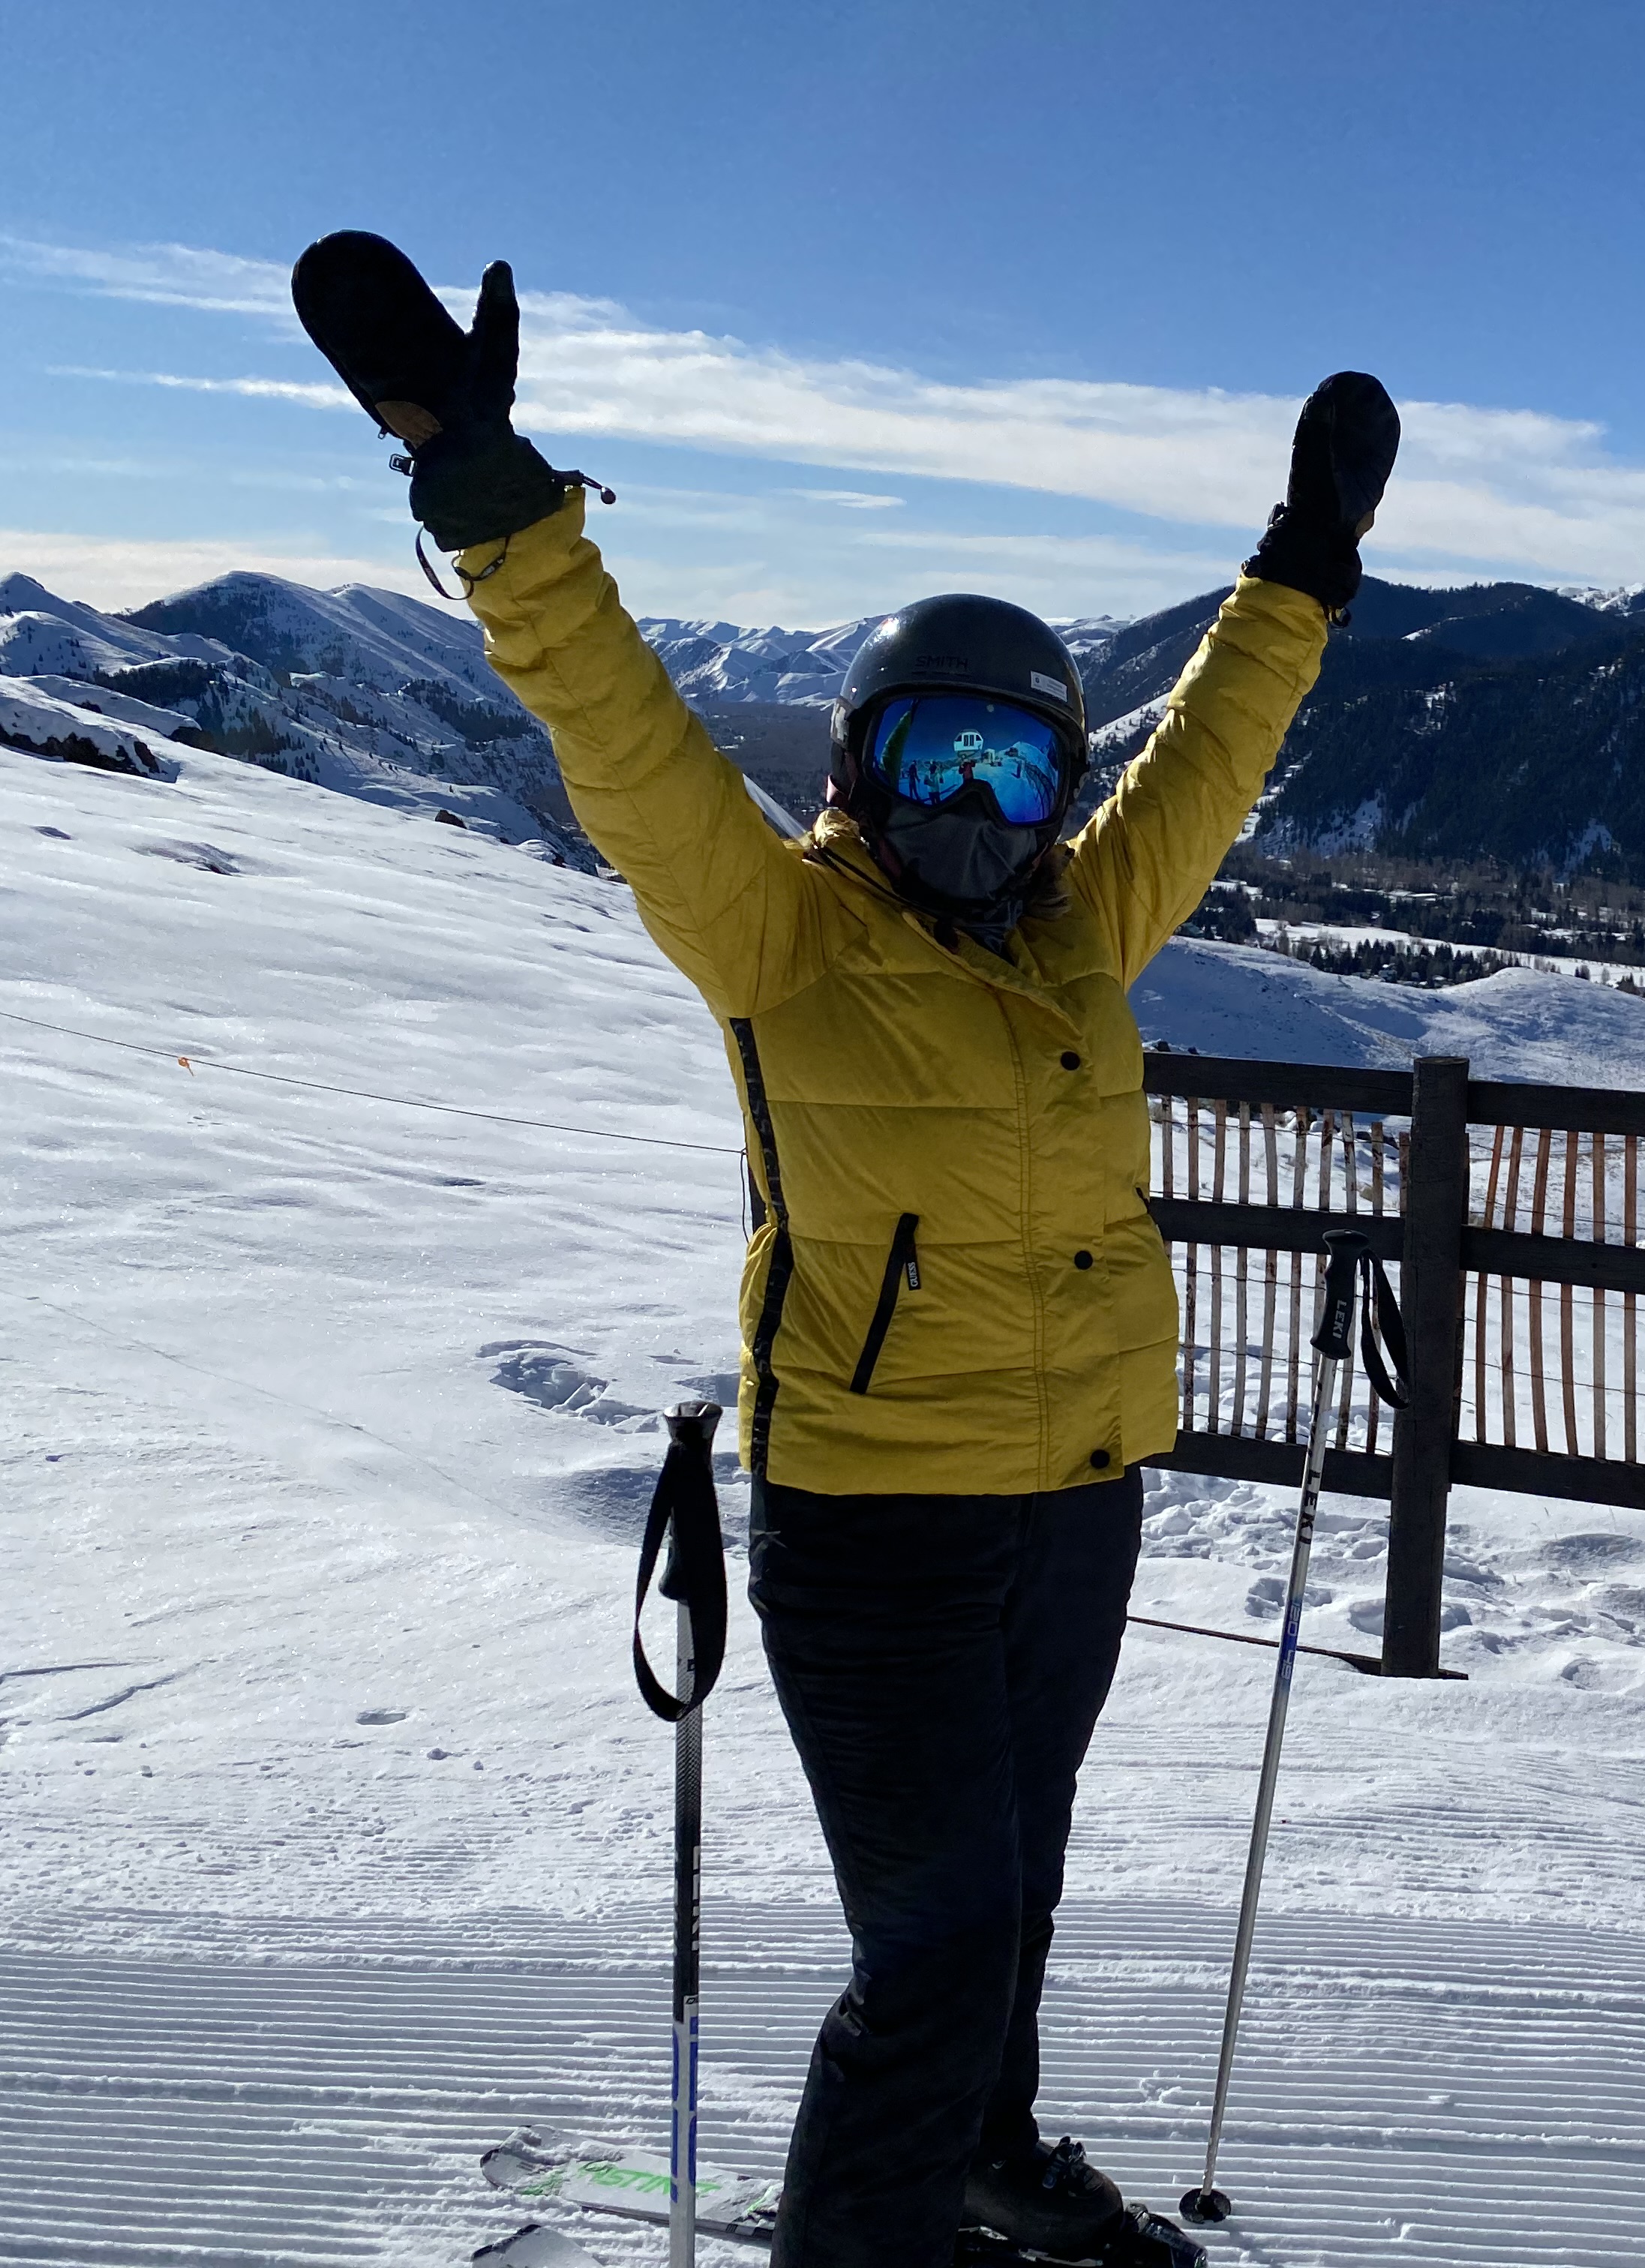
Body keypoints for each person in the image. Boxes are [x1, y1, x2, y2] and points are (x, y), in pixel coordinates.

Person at [291, 232, 1397, 2268]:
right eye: (933, 760)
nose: (979, 806)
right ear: (853, 777)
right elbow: (620, 737)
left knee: (1015, 1892)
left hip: (1075, 1505)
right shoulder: (777, 935)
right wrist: (487, 493)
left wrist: (1302, 571)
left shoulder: (1090, 919)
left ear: (1060, 790)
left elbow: (1214, 755)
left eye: (1018, 765)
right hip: (874, 1517)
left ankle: (986, 2165)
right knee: (934, 1947)